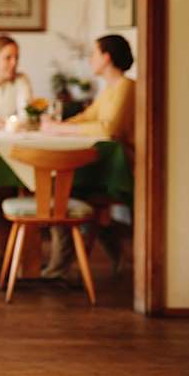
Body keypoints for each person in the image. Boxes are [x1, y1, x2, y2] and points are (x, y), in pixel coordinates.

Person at [40, 34, 136, 278]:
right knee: (59, 186)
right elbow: (89, 116)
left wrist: (59, 128)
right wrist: (56, 124)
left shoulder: (126, 86)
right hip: (102, 163)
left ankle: (59, 264)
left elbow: (109, 129)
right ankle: (69, 259)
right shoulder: (109, 88)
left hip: (121, 167)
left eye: (94, 53)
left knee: (59, 188)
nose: (90, 59)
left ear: (106, 57)